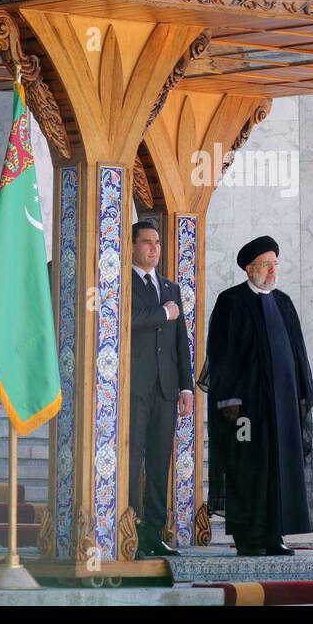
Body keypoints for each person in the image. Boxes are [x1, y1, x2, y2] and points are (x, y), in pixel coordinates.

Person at [204, 235, 313, 557]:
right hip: (245, 409)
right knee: (247, 466)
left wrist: (302, 396)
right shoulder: (232, 301)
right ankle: (247, 536)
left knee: (278, 468)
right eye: (266, 265)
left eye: (274, 264)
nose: (272, 271)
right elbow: (221, 354)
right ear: (250, 269)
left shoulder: (283, 302)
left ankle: (273, 533)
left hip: (281, 406)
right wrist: (229, 400)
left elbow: (298, 352)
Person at [127, 220, 193, 558]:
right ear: (133, 245)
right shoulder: (123, 282)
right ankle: (131, 532)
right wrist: (161, 314)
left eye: (157, 242)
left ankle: (154, 533)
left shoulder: (171, 287)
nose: (154, 248)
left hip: (166, 390)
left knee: (158, 461)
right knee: (132, 459)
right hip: (134, 388)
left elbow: (181, 342)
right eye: (147, 242)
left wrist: (186, 387)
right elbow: (126, 318)